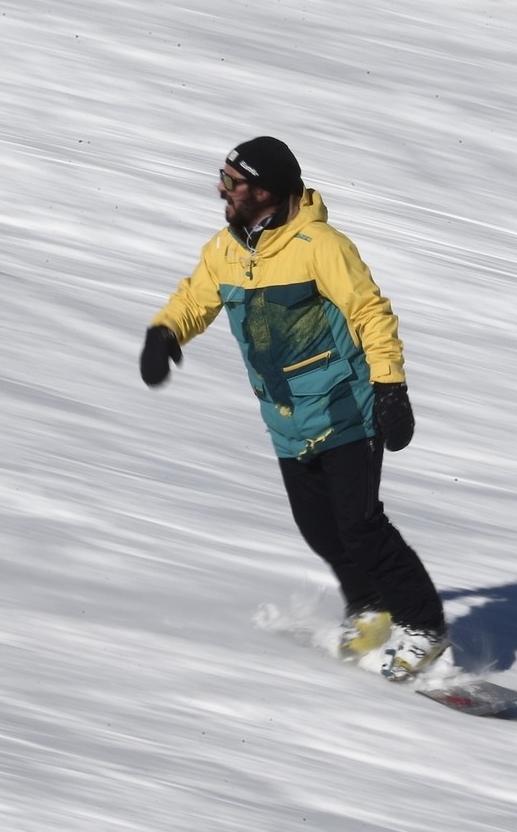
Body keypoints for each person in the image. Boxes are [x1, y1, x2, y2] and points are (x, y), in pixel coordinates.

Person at [139, 136, 449, 681]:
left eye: (233, 182)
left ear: (265, 191)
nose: (222, 189)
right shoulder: (225, 250)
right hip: (286, 416)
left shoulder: (320, 246)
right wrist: (165, 333)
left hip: (345, 407)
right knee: (319, 529)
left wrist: (390, 387)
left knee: (360, 527)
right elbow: (195, 298)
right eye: (223, 177)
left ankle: (423, 625)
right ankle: (371, 609)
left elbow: (370, 312)